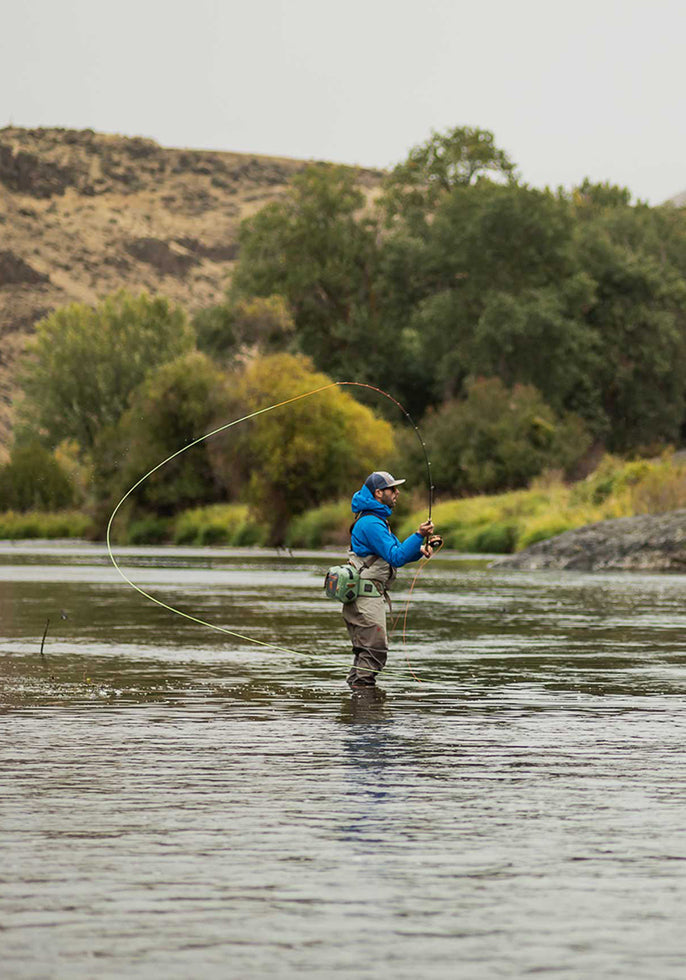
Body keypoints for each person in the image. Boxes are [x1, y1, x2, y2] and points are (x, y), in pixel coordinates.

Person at [343, 470, 435, 689]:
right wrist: (419, 534)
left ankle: (357, 703)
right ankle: (364, 708)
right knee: (375, 650)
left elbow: (394, 554)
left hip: (366, 595)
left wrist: (419, 549)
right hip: (365, 597)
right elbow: (396, 556)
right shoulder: (372, 524)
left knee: (366, 653)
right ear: (378, 493)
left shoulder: (374, 520)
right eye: (392, 489)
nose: (397, 492)